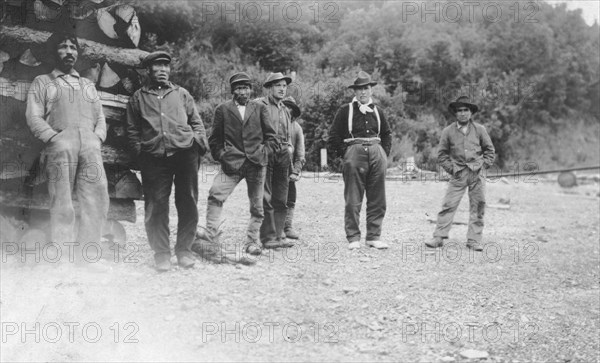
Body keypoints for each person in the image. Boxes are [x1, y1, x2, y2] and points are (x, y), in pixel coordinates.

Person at [26, 31, 109, 252]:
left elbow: (100, 117)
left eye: (73, 47)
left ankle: (89, 255)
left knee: (96, 198)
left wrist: (97, 138)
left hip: (90, 147)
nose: (69, 51)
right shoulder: (43, 81)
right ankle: (62, 254)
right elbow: (34, 117)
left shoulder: (88, 85)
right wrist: (54, 138)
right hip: (61, 146)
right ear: (55, 52)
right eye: (63, 47)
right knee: (62, 201)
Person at [126, 51, 208, 271]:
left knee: (188, 201)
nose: (162, 70)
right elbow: (132, 131)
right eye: (157, 66)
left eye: (166, 66)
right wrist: (140, 153)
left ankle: (184, 250)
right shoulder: (138, 98)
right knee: (156, 205)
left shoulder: (181, 94)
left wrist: (198, 144)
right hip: (153, 157)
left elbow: (196, 122)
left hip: (185, 154)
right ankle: (161, 253)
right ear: (148, 70)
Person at [192, 72, 278, 263]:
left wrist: (264, 153)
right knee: (216, 194)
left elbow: (272, 138)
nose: (243, 92)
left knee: (258, 204)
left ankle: (252, 241)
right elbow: (214, 140)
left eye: (246, 88)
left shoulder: (260, 108)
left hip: (257, 164)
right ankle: (211, 236)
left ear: (250, 89)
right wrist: (223, 156)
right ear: (233, 91)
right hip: (232, 163)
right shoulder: (222, 109)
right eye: (239, 88)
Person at [327, 71, 392, 250]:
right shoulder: (345, 110)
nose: (363, 92)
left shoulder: (378, 111)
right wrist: (346, 154)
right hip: (354, 154)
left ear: (371, 90)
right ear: (354, 92)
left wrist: (383, 154)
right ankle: (353, 237)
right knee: (353, 198)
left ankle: (373, 236)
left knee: (378, 198)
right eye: (359, 89)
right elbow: (333, 136)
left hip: (376, 154)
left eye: (366, 88)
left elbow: (386, 134)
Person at [426, 96, 495, 251]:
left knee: (478, 206)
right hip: (458, 174)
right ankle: (438, 237)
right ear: (455, 113)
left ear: (470, 113)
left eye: (466, 110)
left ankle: (473, 240)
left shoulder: (480, 130)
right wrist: (452, 169)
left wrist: (484, 166)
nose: (463, 113)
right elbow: (442, 155)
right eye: (459, 111)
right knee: (448, 204)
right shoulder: (448, 131)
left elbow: (490, 151)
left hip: (477, 173)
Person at [257, 72, 294, 249]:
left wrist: (290, 150)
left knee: (281, 196)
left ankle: (279, 235)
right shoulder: (258, 105)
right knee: (266, 196)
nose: (281, 89)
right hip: (266, 153)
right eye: (278, 85)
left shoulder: (286, 110)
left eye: (284, 86)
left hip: (283, 155)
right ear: (269, 87)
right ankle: (268, 237)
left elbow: (289, 135)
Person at [281, 96, 305, 239]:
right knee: (271, 198)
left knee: (290, 199)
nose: (287, 110)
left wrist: (296, 171)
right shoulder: (272, 124)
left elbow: (300, 153)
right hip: (273, 169)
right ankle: (272, 228)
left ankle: (288, 226)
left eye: (291, 108)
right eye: (285, 107)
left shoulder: (297, 128)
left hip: (288, 170)